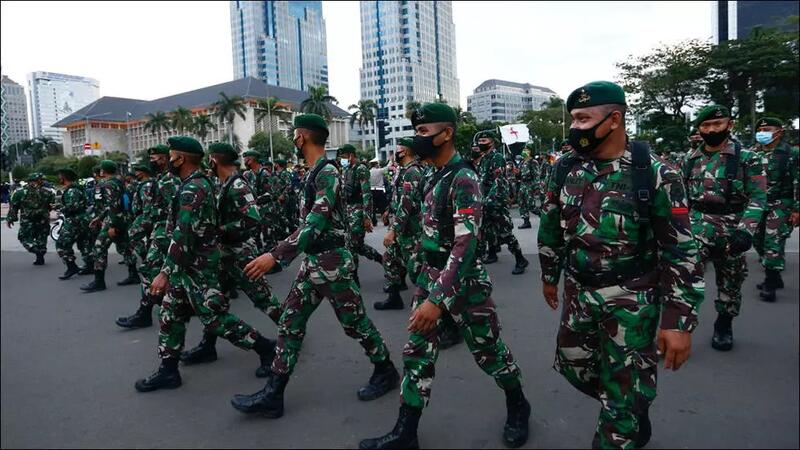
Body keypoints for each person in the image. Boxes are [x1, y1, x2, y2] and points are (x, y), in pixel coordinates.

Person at [539, 81, 705, 449]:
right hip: (579, 293)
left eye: (583, 119)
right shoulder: (566, 167)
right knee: (574, 366)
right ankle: (629, 402)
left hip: (632, 299)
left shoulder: (655, 173)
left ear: (614, 120)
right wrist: (550, 275)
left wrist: (678, 321)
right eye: (573, 119)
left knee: (622, 399)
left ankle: (624, 414)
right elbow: (550, 224)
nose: (574, 127)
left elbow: (680, 251)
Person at [360, 103, 530, 450]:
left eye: (424, 131)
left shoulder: (464, 177)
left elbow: (466, 244)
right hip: (431, 276)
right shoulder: (432, 174)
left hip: (463, 281)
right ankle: (406, 432)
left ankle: (518, 404)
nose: (417, 138)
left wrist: (438, 300)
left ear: (447, 133)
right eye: (416, 132)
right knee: (416, 354)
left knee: (489, 352)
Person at [230, 114, 398, 418]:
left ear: (302, 136)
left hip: (331, 262)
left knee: (354, 323)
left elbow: (315, 222)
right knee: (290, 322)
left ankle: (385, 369)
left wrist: (275, 255)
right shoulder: (315, 172)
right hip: (313, 262)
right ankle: (274, 393)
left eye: (295, 134)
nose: (293, 139)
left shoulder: (327, 173)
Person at [135, 136, 276, 392]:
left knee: (215, 318)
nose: (168, 160)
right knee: (170, 313)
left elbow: (184, 235)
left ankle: (266, 348)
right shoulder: (194, 183)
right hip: (187, 266)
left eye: (172, 156)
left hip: (198, 266)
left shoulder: (194, 188)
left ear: (181, 159)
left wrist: (164, 273)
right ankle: (168, 370)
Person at [179, 142, 282, 375]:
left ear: (214, 160)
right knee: (215, 302)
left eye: (210, 159)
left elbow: (253, 218)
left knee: (263, 298)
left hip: (240, 254)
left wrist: (221, 229)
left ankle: (290, 339)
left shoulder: (237, 184)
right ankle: (208, 346)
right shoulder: (224, 183)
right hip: (224, 254)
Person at [682, 104, 766, 351]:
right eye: (706, 125)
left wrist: (745, 231)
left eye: (717, 124)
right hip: (697, 226)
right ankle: (679, 328)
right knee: (683, 277)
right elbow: (681, 198)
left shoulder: (748, 158)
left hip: (732, 227)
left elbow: (758, 197)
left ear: (729, 125)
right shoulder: (689, 159)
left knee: (731, 281)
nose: (711, 130)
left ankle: (724, 324)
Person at [116, 145, 180, 328]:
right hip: (160, 231)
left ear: (164, 159)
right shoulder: (161, 179)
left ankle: (149, 312)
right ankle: (153, 310)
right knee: (157, 272)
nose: (152, 162)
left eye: (155, 158)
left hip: (165, 233)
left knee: (149, 270)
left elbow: (174, 210)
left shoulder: (169, 180)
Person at [750, 117, 799, 302]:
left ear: (779, 132)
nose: (762, 133)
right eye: (760, 130)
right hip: (758, 203)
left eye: (767, 129)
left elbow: (798, 181)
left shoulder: (791, 153)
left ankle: (770, 283)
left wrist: (797, 209)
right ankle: (775, 276)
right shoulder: (753, 153)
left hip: (781, 203)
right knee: (757, 240)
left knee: (773, 241)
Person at [376, 138, 424, 310]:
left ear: (407, 151)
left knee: (416, 269)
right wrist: (388, 210)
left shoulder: (413, 172)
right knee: (389, 259)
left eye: (398, 149)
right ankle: (394, 297)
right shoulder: (402, 170)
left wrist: (393, 230)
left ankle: (432, 305)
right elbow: (397, 197)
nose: (395, 153)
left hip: (411, 229)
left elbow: (407, 204)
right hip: (401, 226)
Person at [473, 131, 529, 275]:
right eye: (480, 141)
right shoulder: (484, 159)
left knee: (505, 233)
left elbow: (498, 182)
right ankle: (492, 253)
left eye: (484, 141)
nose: (481, 143)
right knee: (487, 230)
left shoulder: (497, 158)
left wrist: (489, 200)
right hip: (485, 201)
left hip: (495, 201)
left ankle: (520, 259)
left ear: (492, 142)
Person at [80, 160, 129, 293]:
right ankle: (133, 274)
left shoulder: (108, 184)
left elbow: (113, 206)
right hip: (121, 219)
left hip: (114, 221)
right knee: (125, 246)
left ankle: (99, 281)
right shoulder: (118, 182)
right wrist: (99, 218)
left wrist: (112, 225)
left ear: (103, 171)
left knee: (99, 247)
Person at [339, 144, 384, 281]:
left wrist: (367, 217)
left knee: (353, 245)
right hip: (348, 212)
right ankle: (380, 259)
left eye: (344, 157)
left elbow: (366, 194)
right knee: (354, 245)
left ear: (351, 155)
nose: (342, 160)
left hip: (358, 211)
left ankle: (353, 276)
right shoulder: (347, 170)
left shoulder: (361, 169)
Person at [7, 172, 54, 265]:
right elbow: (51, 206)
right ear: (39, 181)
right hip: (43, 219)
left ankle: (35, 250)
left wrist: (10, 218)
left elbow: (14, 207)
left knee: (24, 237)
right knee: (41, 238)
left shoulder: (20, 192)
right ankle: (40, 256)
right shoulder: (48, 192)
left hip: (27, 220)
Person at [54, 168, 92, 280]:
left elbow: (73, 206)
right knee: (84, 243)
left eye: (60, 176)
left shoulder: (71, 190)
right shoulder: (77, 188)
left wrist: (60, 208)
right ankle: (90, 266)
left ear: (64, 177)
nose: (59, 178)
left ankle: (71, 267)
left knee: (61, 244)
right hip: (83, 219)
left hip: (75, 220)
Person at [517, 148, 540, 228]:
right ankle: (526, 222)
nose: (524, 151)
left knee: (530, 205)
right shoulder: (522, 162)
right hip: (522, 185)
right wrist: (516, 173)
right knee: (521, 203)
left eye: (527, 149)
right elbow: (519, 173)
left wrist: (536, 187)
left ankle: (543, 216)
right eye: (524, 149)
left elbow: (536, 175)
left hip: (529, 185)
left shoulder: (533, 162)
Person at [369, 159, 388, 224]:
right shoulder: (379, 171)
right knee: (382, 207)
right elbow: (387, 167)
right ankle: (385, 221)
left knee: (373, 207)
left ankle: (374, 221)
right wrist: (391, 161)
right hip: (380, 190)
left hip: (372, 190)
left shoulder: (369, 172)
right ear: (376, 164)